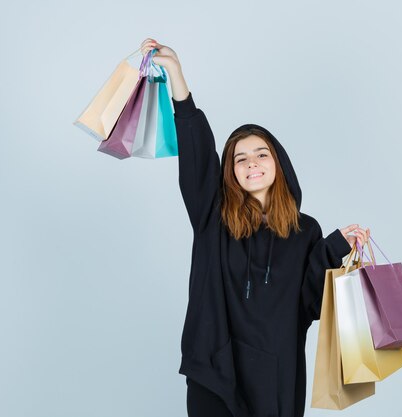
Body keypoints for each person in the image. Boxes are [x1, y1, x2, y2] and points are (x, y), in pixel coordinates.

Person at [139, 38, 371, 417]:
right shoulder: (213, 217)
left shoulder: (305, 231)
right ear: (230, 172)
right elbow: (197, 151)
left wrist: (334, 248)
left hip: (275, 376)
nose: (252, 164)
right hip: (213, 370)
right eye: (240, 159)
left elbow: (308, 305)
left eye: (261, 154)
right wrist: (177, 79)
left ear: (277, 163)